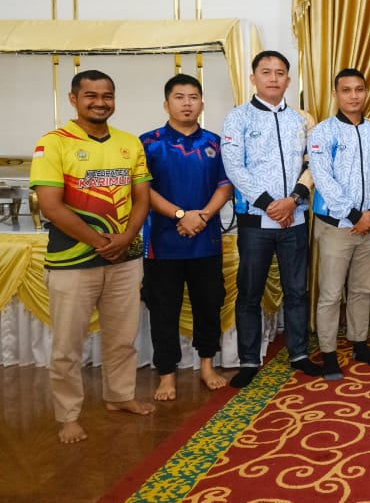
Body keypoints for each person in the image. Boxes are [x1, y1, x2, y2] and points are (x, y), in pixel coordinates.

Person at [30, 69, 156, 444]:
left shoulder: (129, 142)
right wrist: (101, 242)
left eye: (107, 96)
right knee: (67, 347)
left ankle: (120, 395)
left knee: (122, 338)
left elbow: (142, 197)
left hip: (124, 259)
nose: (100, 103)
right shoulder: (53, 143)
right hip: (72, 263)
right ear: (74, 99)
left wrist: (127, 237)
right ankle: (68, 415)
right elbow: (51, 206)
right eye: (91, 96)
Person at [222, 50, 321, 388]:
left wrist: (293, 200)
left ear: (288, 80)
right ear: (254, 78)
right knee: (249, 293)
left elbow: (313, 164)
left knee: (296, 291)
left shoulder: (301, 120)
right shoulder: (238, 117)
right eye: (266, 72)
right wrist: (269, 204)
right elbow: (234, 167)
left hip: (295, 219)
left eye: (280, 73)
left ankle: (299, 354)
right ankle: (249, 360)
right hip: (255, 222)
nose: (273, 78)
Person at [140, 74, 233, 401]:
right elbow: (143, 190)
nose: (187, 103)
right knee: (163, 310)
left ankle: (207, 365)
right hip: (162, 244)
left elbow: (225, 186)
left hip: (205, 242)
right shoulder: (148, 143)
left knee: (209, 305)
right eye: (179, 97)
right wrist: (181, 215)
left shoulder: (215, 143)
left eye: (193, 97)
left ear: (202, 104)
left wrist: (201, 216)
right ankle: (167, 373)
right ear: (166, 104)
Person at [309, 68, 370, 377]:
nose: (354, 96)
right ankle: (328, 353)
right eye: (346, 90)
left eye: (359, 89)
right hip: (336, 226)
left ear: (366, 92)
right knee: (331, 293)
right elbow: (323, 179)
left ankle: (359, 344)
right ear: (335, 94)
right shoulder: (322, 132)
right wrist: (355, 215)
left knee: (361, 290)